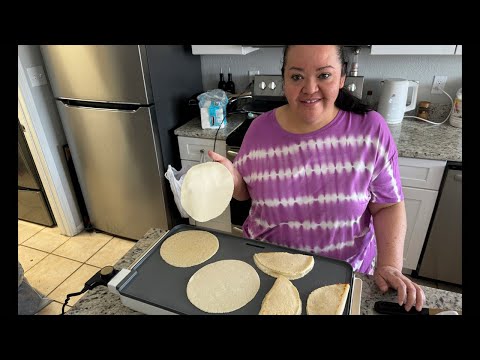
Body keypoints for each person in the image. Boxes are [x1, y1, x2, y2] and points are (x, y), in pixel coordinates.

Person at [208, 45, 425, 312]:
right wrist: (233, 179)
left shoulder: (370, 130)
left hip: (340, 282)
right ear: (284, 78)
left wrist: (389, 265)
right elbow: (246, 193)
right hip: (268, 271)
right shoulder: (259, 129)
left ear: (342, 78)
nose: (309, 88)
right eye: (297, 76)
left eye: (324, 75)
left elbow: (388, 205)